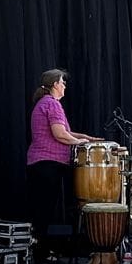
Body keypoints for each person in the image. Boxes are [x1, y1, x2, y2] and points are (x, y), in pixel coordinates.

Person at [26, 68, 99, 254]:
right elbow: (60, 135)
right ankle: (41, 253)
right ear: (55, 85)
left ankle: (40, 250)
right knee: (44, 210)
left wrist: (85, 137)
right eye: (62, 82)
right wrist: (80, 143)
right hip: (47, 163)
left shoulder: (45, 103)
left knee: (43, 208)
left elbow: (65, 132)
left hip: (41, 163)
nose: (65, 85)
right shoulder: (52, 104)